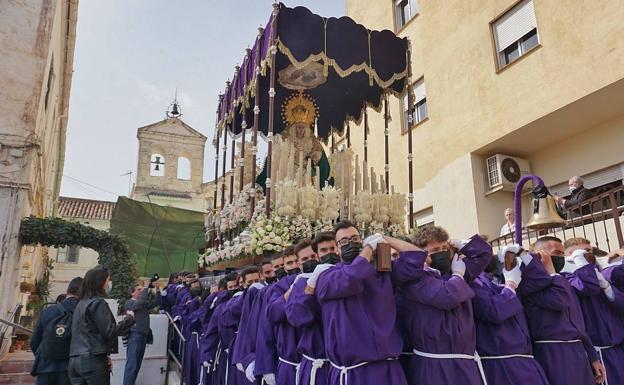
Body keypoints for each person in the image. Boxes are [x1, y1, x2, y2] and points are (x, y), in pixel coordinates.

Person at [305, 221, 409, 385]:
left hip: (388, 370)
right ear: (338, 249)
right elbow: (352, 278)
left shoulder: (382, 271)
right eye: (344, 241)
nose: (351, 244)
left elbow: (417, 260)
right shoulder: (327, 277)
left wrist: (386, 239)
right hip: (354, 374)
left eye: (355, 239)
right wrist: (368, 249)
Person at [400, 226, 490, 385]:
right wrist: (458, 275)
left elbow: (484, 252)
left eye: (444, 248)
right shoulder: (415, 280)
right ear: (421, 254)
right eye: (435, 249)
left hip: (465, 363)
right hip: (434, 366)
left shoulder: (455, 272)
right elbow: (447, 296)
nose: (442, 252)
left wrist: (457, 243)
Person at [513, 236, 606, 385]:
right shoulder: (529, 283)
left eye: (562, 254)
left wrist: (592, 355)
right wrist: (550, 271)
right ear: (540, 255)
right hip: (553, 352)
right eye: (557, 253)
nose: (561, 257)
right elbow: (559, 300)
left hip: (578, 351)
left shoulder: (562, 279)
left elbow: (578, 320)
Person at [468, 248, 550, 385]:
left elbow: (542, 281)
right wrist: (510, 286)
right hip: (500, 364)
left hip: (526, 362)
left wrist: (523, 254)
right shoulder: (474, 283)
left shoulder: (505, 276)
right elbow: (494, 311)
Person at [560, 238, 624, 385]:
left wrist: (607, 286)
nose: (591, 254)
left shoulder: (600, 272)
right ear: (571, 254)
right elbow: (587, 288)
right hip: (599, 351)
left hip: (618, 347)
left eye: (590, 251)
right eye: (586, 251)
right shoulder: (567, 277)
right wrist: (583, 267)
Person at [69, 266, 135, 385]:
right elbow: (110, 331)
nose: (108, 284)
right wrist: (129, 319)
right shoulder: (98, 303)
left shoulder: (81, 304)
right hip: (92, 360)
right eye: (107, 280)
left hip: (75, 360)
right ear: (101, 282)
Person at [285, 232, 337, 385]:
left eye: (332, 249)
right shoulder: (301, 282)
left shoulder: (345, 276)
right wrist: (309, 288)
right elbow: (297, 317)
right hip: (317, 363)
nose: (329, 254)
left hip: (342, 365)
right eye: (324, 250)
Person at [30, 277, 83, 385]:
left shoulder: (48, 311)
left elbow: (34, 341)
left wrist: (44, 355)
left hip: (45, 366)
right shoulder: (84, 313)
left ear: (67, 291)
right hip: (69, 369)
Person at [123, 281, 162, 385]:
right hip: (135, 336)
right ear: (132, 293)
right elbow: (139, 303)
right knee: (132, 365)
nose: (141, 291)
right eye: (138, 290)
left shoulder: (142, 303)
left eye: (141, 290)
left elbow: (157, 302)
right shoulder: (130, 303)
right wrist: (145, 288)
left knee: (137, 365)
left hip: (143, 336)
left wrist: (157, 289)